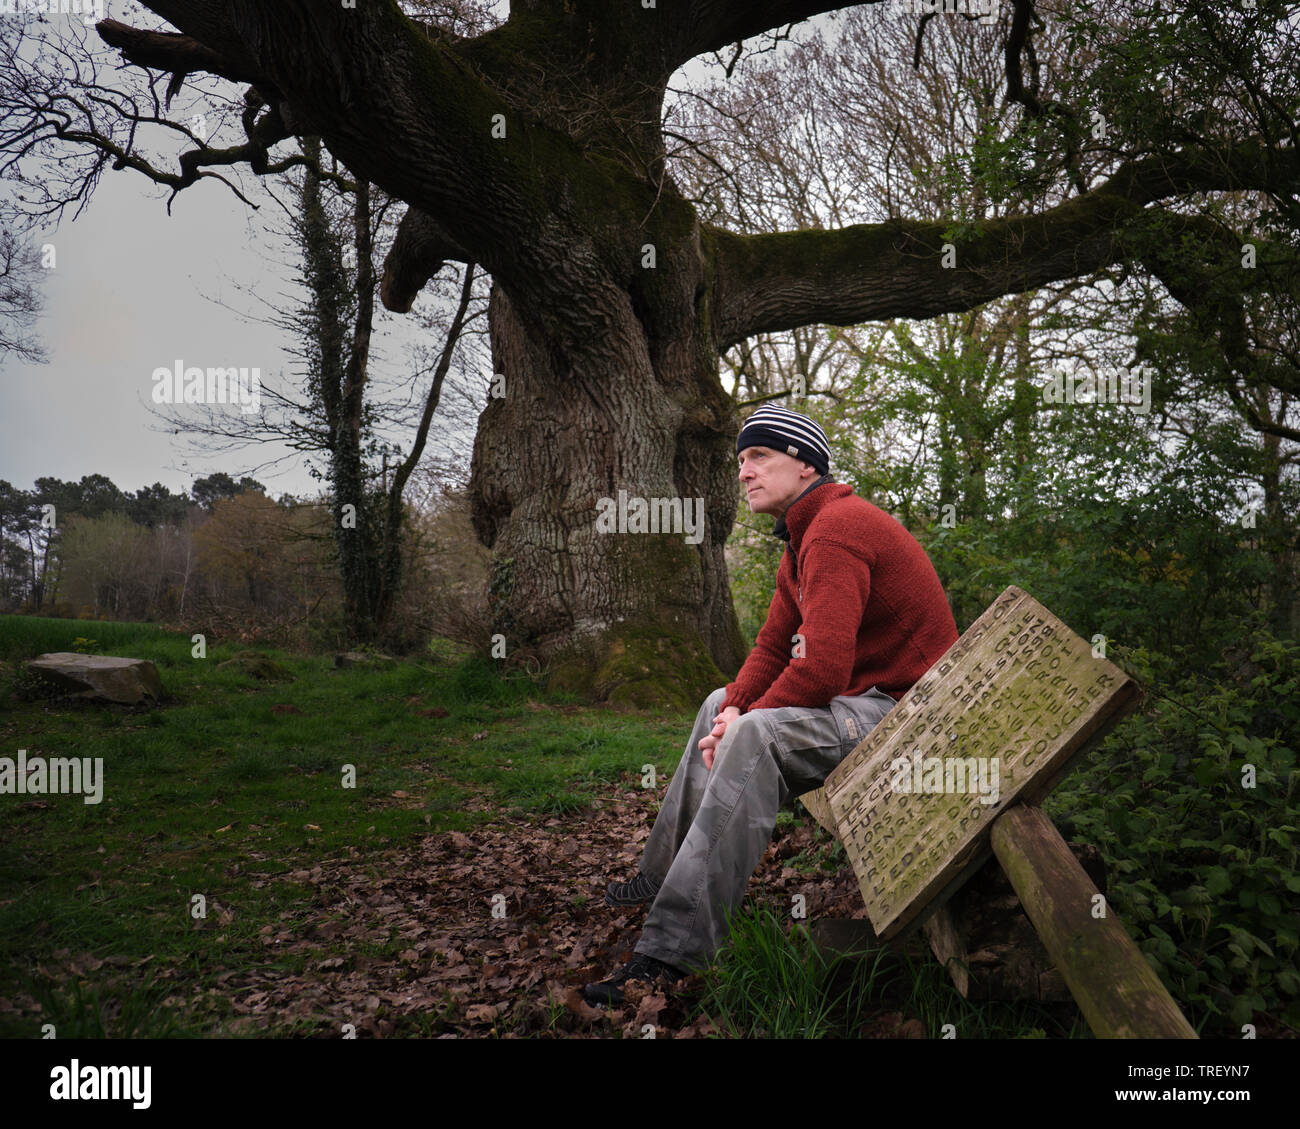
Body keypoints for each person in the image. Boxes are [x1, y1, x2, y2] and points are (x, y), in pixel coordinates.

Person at [582, 405, 960, 1006]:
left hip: (913, 719)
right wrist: (732, 707)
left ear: (806, 464)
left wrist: (746, 720)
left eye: (760, 457)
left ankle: (669, 955)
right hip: (865, 708)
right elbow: (772, 647)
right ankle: (662, 876)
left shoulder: (838, 529)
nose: (744, 473)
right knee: (716, 703)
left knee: (758, 735)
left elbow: (823, 667)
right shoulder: (803, 539)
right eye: (740, 461)